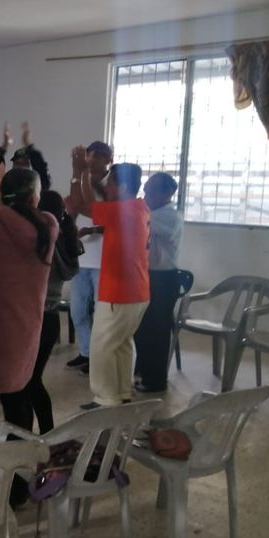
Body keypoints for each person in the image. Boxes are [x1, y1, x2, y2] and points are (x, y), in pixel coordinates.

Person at [0, 168, 58, 445]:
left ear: (1, 194)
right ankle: (17, 465)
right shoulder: (48, 226)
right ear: (34, 197)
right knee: (18, 404)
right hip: (24, 334)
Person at [73, 158, 150, 409]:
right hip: (138, 292)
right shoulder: (139, 208)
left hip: (118, 293)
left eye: (111, 184)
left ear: (124, 187)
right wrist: (95, 231)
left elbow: (87, 205)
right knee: (121, 344)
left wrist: (82, 172)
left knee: (102, 346)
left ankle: (106, 400)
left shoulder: (122, 210)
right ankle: (122, 392)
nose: (106, 188)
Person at [29, 190, 81, 433]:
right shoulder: (64, 239)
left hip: (34, 320)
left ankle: (45, 435)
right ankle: (47, 433)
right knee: (32, 380)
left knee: (29, 382)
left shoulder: (42, 241)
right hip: (49, 319)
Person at [63, 140, 114, 373]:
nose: (92, 159)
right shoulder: (82, 177)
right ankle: (86, 353)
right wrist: (77, 173)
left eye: (98, 156)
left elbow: (104, 216)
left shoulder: (112, 184)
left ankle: (100, 358)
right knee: (78, 311)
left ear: (108, 160)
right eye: (90, 155)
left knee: (102, 313)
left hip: (103, 259)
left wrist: (91, 228)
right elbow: (75, 205)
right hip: (81, 258)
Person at [133, 172, 184, 393]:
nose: (146, 195)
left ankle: (155, 381)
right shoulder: (150, 212)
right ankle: (144, 372)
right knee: (142, 328)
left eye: (151, 190)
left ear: (168, 193)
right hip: (148, 276)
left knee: (157, 330)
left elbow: (139, 221)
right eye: (145, 189)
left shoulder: (170, 216)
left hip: (162, 279)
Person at [0, 122, 52, 192]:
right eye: (17, 163)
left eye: (25, 164)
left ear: (31, 166)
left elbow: (44, 177)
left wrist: (29, 144)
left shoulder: (36, 187)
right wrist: (4, 146)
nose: (21, 167)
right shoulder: (7, 185)